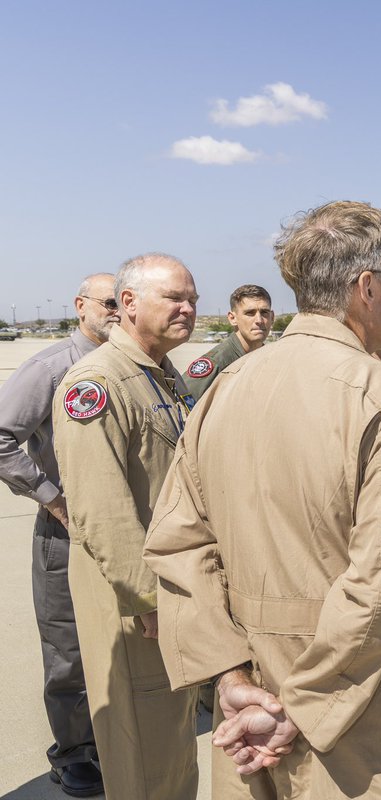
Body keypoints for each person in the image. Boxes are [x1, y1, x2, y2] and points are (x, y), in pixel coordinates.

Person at [143, 201, 381, 799]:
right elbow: (380, 586)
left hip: (245, 708)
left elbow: (178, 545)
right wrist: (295, 710)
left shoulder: (222, 391)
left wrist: (230, 678)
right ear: (366, 288)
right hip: (356, 713)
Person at [52, 254, 200, 800]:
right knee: (144, 751)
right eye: (174, 298)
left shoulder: (161, 375)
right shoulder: (97, 383)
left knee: (174, 745)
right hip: (134, 602)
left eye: (192, 299)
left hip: (168, 593)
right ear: (129, 304)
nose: (187, 308)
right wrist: (150, 598)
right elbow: (101, 510)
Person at [0, 273, 119, 797]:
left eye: (127, 303)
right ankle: (72, 752)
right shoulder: (52, 368)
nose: (119, 312)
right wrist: (53, 497)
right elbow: (2, 438)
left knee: (124, 642)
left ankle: (112, 736)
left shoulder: (141, 367)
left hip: (125, 535)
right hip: (66, 535)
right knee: (68, 651)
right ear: (81, 307)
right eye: (111, 302)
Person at [184, 284, 274, 398]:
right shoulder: (218, 363)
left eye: (264, 312)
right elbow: (183, 403)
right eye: (250, 313)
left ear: (272, 317)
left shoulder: (270, 359)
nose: (259, 320)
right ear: (232, 319)